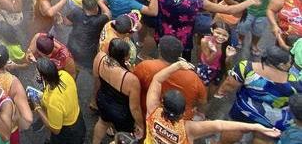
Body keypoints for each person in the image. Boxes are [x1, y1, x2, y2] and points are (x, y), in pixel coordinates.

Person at [145, 61, 280, 144]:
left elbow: (157, 79)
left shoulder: (152, 111)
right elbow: (219, 125)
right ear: (182, 114)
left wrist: (176, 65)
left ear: (162, 103)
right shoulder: (188, 129)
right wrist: (256, 127)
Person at [92, 39, 144, 143]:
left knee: (102, 123)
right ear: (125, 57)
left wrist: (94, 99)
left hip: (102, 100)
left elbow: (96, 80)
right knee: (124, 136)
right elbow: (135, 108)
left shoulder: (100, 58)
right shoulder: (130, 79)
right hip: (121, 113)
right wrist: (140, 124)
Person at [31, 57, 86, 143]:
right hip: (78, 118)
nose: (35, 74)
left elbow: (55, 130)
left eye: (37, 73)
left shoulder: (54, 101)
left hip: (68, 132)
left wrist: (37, 107)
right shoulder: (64, 74)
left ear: (43, 77)